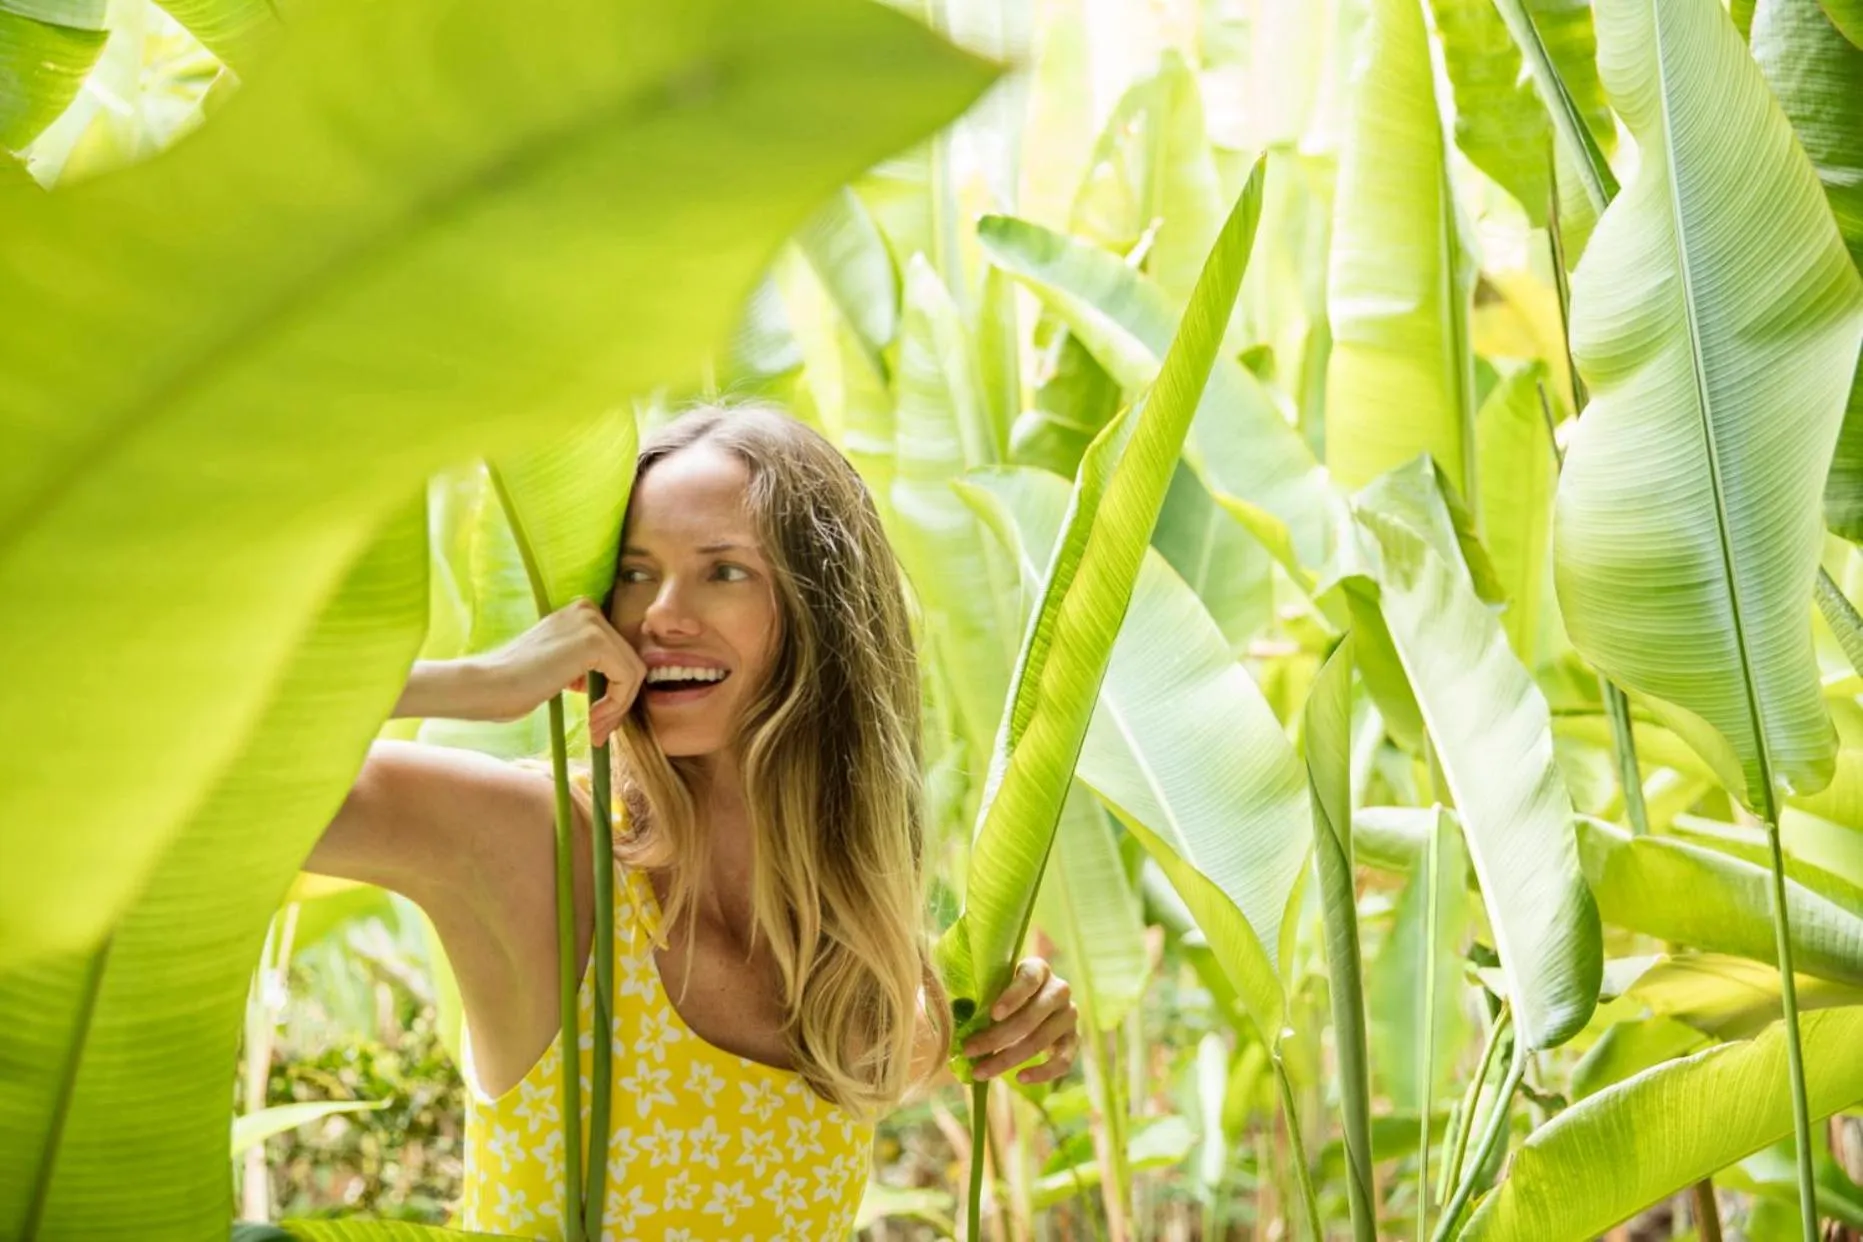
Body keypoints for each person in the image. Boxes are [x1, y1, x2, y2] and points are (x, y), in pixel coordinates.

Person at [310, 403, 1080, 1240]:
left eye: (724, 572)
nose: (661, 614)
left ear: (821, 618)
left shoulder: (854, 968)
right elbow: (171, 757)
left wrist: (1024, 1012)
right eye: (637, 573)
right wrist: (470, 683)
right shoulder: (542, 846)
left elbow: (956, 1039)